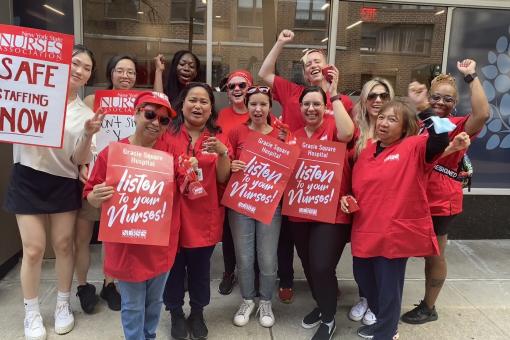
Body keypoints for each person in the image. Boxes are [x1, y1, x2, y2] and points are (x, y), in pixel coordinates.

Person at [340, 82, 455, 340]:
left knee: (389, 288)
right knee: (365, 281)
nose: (383, 122)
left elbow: (441, 136)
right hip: (365, 230)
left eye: (392, 119)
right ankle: (384, 322)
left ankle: (387, 331)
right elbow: (358, 188)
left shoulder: (414, 147)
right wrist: (347, 199)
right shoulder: (366, 150)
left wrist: (423, 106)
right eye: (381, 117)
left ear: (404, 128)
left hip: (393, 234)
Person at [4, 44, 102, 339]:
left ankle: (62, 304)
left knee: (63, 245)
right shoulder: (28, 93)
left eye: (86, 68)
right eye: (75, 63)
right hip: (27, 177)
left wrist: (88, 133)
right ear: (61, 64)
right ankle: (31, 311)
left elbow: (82, 159)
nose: (80, 70)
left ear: (88, 77)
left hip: (63, 181)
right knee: (33, 250)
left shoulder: (84, 112)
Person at [259, 29, 353, 302]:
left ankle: (324, 282)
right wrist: (279, 42)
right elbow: (265, 73)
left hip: (326, 183)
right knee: (289, 234)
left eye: (317, 60)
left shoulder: (342, 101)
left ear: (328, 67)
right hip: (294, 178)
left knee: (323, 245)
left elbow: (348, 136)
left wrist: (333, 94)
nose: (312, 65)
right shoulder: (293, 91)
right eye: (307, 63)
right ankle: (288, 279)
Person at [84, 91, 180, 340]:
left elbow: (188, 188)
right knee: (133, 305)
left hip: (161, 246)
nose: (155, 123)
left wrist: (193, 174)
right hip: (127, 247)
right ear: (136, 114)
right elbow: (89, 195)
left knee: (155, 301)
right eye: (150, 114)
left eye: (163, 120)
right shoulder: (112, 153)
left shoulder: (172, 153)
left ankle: (149, 335)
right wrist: (96, 196)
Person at [401, 60, 489, 325]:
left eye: (448, 99)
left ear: (455, 103)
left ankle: (429, 307)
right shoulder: (417, 121)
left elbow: (483, 114)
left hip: (440, 200)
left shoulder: (459, 125)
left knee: (434, 254)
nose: (441, 102)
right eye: (436, 96)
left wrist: (471, 76)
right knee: (397, 250)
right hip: (409, 196)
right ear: (428, 96)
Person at [163, 82, 231, 340]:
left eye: (204, 101)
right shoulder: (167, 133)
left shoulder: (218, 136)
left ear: (211, 107)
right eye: (193, 100)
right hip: (172, 216)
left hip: (205, 217)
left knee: (201, 270)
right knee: (173, 269)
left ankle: (198, 312)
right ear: (181, 104)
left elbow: (223, 177)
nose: (198, 106)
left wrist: (223, 153)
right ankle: (175, 313)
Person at [290, 82, 354, 340]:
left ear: (325, 107)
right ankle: (322, 305)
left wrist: (335, 93)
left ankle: (329, 319)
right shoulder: (292, 135)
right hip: (299, 211)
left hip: (332, 212)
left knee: (321, 265)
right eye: (306, 104)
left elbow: (349, 133)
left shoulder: (334, 128)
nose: (311, 108)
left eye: (317, 103)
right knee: (307, 264)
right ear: (300, 107)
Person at [76, 54, 138, 314]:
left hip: (126, 177)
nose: (125, 76)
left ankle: (109, 283)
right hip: (96, 174)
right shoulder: (93, 100)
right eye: (120, 70)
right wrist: (82, 164)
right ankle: (82, 286)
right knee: (83, 235)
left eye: (131, 72)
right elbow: (84, 135)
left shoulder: (140, 102)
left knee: (114, 237)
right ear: (110, 73)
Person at [227, 85, 286, 328]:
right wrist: (231, 165)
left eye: (263, 104)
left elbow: (290, 169)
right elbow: (225, 164)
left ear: (270, 106)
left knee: (268, 257)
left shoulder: (282, 133)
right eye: (253, 104)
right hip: (241, 202)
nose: (258, 109)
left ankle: (266, 301)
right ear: (247, 107)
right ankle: (247, 299)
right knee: (244, 256)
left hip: (270, 204)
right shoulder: (236, 132)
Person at [349, 77, 395, 327]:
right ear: (364, 101)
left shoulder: (401, 130)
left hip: (388, 208)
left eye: (383, 96)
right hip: (360, 208)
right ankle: (366, 297)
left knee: (383, 262)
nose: (378, 100)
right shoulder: (355, 130)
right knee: (361, 261)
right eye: (372, 96)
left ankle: (379, 304)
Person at [216, 70, 254, 295]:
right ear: (228, 93)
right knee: (229, 233)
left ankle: (254, 273)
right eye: (232, 87)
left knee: (255, 235)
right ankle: (229, 271)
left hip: (256, 187)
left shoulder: (261, 112)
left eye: (242, 85)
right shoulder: (221, 116)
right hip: (230, 183)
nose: (237, 89)